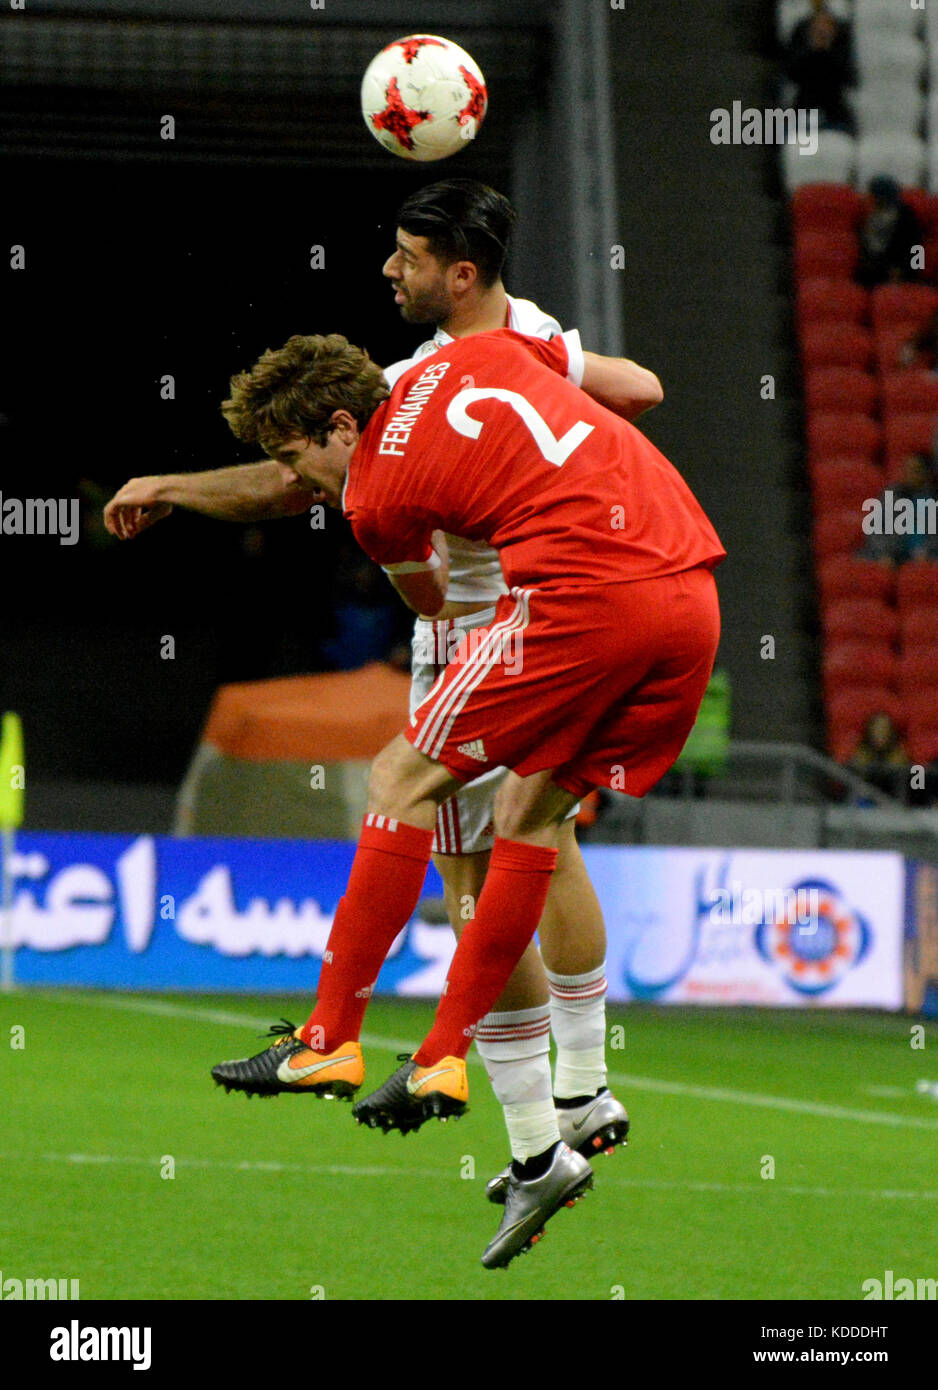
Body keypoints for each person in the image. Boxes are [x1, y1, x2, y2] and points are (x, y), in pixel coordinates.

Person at [104, 182, 654, 1238]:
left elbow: (304, 499)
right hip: (579, 609)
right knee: (545, 846)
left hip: (481, 636)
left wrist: (171, 485)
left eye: (402, 258)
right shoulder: (532, 337)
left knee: (459, 861)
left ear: (453, 270)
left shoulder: (410, 389)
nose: (387, 273)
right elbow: (640, 384)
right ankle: (580, 1088)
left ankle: (517, 1117)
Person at [197, 323, 722, 1265]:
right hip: (689, 593)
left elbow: (432, 601)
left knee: (401, 777)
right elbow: (634, 387)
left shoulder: (373, 496)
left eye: (296, 460)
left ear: (341, 425)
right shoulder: (483, 353)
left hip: (580, 599)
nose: (305, 486)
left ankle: (328, 1037)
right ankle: (535, 1096)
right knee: (534, 818)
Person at [782, 0, 855, 132]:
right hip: (803, 105)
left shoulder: (842, 33)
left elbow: (849, 77)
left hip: (834, 108)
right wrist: (813, 49)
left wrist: (827, 49)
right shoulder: (801, 29)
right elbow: (791, 73)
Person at [855, 176, 924, 289]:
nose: (870, 198)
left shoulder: (906, 215)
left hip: (896, 269)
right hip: (871, 266)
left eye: (874, 195)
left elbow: (917, 246)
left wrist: (903, 269)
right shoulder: (870, 214)